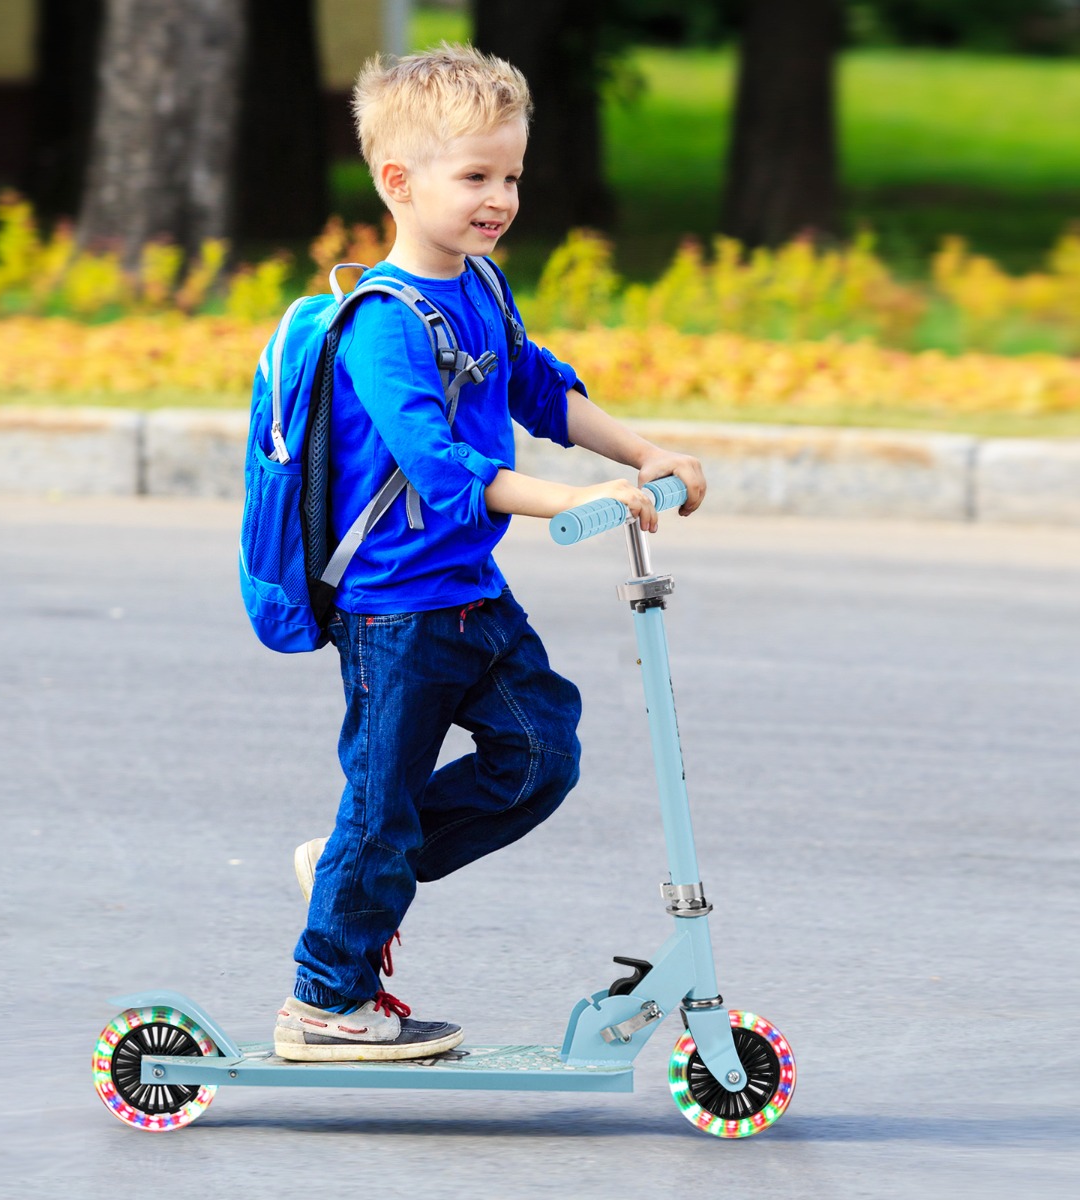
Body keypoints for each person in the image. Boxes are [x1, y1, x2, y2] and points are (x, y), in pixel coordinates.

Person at [273, 43, 706, 1062]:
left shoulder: (483, 287)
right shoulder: (380, 324)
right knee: (382, 805)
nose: (499, 197)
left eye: (510, 175)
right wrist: (578, 500)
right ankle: (323, 1002)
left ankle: (352, 868)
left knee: (540, 754)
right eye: (475, 176)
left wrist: (644, 451)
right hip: (397, 611)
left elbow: (540, 389)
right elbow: (444, 469)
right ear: (399, 181)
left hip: (471, 592)